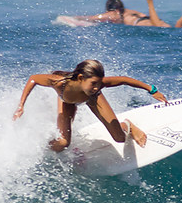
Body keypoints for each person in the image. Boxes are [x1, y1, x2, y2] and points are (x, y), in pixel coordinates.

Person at [12, 59, 168, 152]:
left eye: (99, 83)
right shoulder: (59, 82)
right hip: (67, 101)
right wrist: (21, 106)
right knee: (63, 143)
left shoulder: (97, 89)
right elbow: (33, 79)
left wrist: (151, 90)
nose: (97, 87)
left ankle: (127, 125)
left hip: (93, 101)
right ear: (80, 78)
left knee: (120, 138)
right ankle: (42, 151)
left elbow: (124, 79)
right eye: (94, 83)